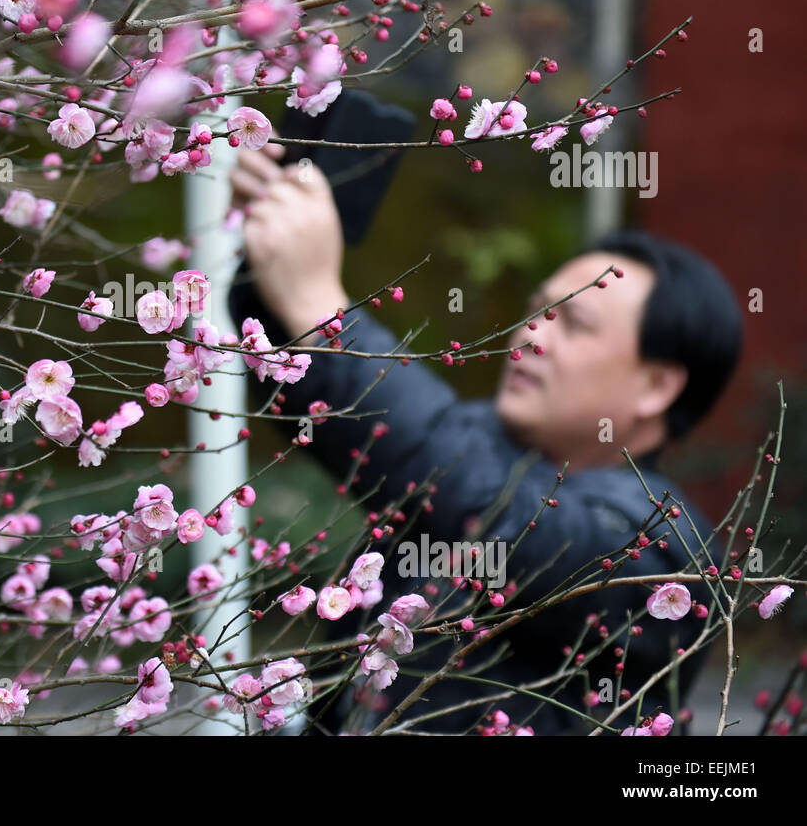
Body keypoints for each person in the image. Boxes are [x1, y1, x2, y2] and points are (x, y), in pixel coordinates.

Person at [225, 139, 744, 735]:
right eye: (536, 310)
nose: (529, 334)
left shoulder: (663, 551)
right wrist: (270, 264)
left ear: (656, 386)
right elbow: (329, 402)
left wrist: (323, 308)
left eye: (572, 321)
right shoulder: (474, 445)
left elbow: (474, 496)